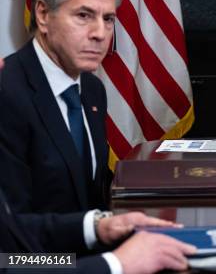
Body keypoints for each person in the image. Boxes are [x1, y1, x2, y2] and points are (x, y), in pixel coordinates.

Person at [0, 57, 196, 274]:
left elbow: (14, 258)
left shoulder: (92, 89)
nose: (2, 63)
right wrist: (116, 264)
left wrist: (95, 228)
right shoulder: (14, 97)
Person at [0, 0, 121, 213]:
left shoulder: (92, 89)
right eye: (83, 16)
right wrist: (99, 235)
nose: (100, 34)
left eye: (108, 19)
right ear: (43, 14)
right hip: (30, 256)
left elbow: (90, 196)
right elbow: (10, 234)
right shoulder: (6, 92)